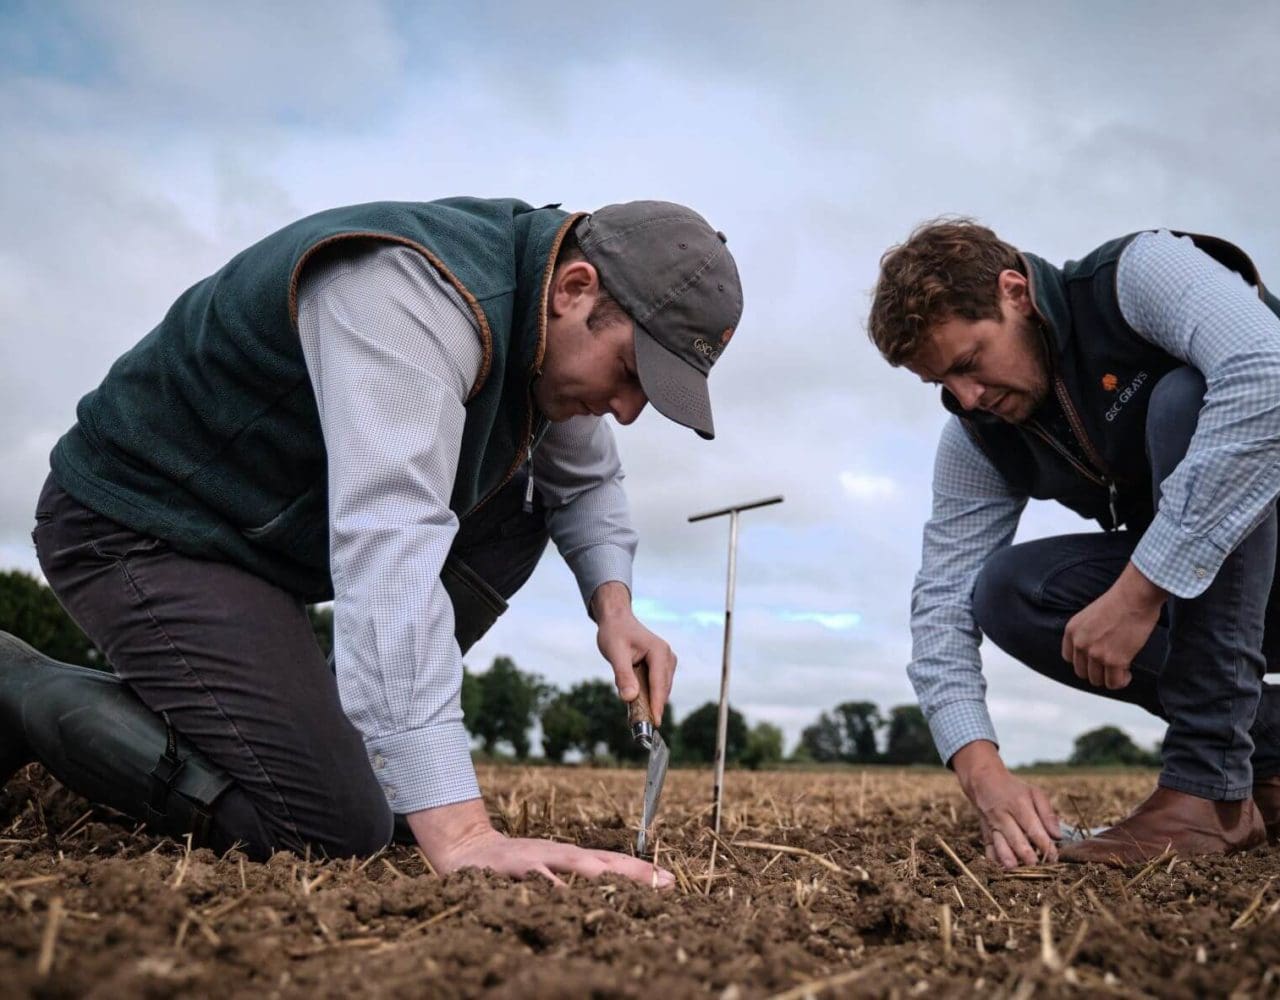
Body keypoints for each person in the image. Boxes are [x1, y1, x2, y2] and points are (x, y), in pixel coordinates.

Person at [1, 197, 743, 887]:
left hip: (254, 543)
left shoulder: (543, 333)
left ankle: (321, 731)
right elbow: (390, 554)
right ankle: (19, 684)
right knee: (334, 823)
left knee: (527, 506)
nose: (628, 410)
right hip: (143, 526)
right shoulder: (411, 301)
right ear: (574, 288)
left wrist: (613, 608)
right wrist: (462, 834)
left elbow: (584, 486)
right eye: (630, 372)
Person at [867, 219, 1280, 866]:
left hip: (1262, 541)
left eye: (970, 363)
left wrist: (1142, 589)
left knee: (1187, 400)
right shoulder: (979, 433)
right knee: (1006, 592)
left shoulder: (1139, 275)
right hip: (1231, 599)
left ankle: (1209, 788)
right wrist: (984, 773)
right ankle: (1271, 762)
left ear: (1015, 293)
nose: (967, 397)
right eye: (941, 384)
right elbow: (942, 602)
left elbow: (1268, 376)